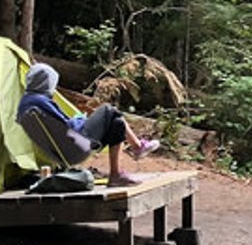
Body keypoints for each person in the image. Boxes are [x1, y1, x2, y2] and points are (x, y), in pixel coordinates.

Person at [16, 63, 155, 187]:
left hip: (63, 150)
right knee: (108, 110)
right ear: (44, 82)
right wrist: (80, 119)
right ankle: (137, 147)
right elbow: (67, 125)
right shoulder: (40, 100)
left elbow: (57, 126)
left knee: (116, 122)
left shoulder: (26, 102)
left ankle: (116, 175)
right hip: (75, 145)